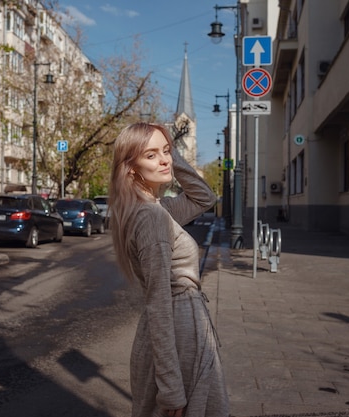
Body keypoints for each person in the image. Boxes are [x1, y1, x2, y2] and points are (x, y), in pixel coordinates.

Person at [109, 122, 229, 417]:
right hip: (178, 332)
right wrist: (171, 387)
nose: (164, 160)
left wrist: (172, 154)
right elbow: (158, 303)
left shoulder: (157, 209)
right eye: (151, 155)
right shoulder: (151, 217)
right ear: (131, 167)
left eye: (166, 152)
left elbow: (204, 197)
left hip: (184, 327)